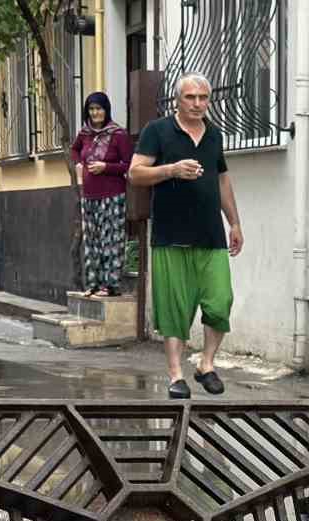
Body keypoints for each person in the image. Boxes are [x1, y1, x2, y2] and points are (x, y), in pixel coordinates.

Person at [128, 74, 244, 398]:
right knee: (174, 308)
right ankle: (176, 375)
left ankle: (206, 364)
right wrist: (171, 170)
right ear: (177, 100)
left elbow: (222, 180)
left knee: (220, 302)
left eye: (203, 97)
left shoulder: (214, 135)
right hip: (170, 235)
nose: (197, 104)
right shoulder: (158, 131)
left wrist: (234, 222)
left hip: (210, 234)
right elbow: (135, 173)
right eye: (190, 97)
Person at [71, 91, 134, 298]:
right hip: (89, 197)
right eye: (91, 109)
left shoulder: (118, 134)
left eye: (98, 108)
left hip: (112, 197)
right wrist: (79, 164)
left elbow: (129, 165)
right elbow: (74, 150)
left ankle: (111, 285)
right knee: (92, 242)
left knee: (111, 241)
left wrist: (105, 167)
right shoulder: (84, 134)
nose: (95, 113)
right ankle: (94, 284)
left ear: (106, 110)